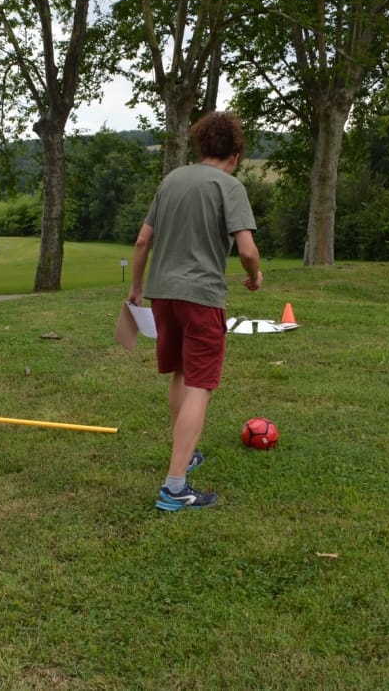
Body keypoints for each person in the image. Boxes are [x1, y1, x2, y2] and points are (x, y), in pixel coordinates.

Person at [126, 111, 262, 511]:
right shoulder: (230, 186)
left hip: (162, 295)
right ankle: (175, 488)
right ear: (235, 154)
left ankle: (187, 455)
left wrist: (137, 289)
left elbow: (141, 242)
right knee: (201, 383)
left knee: (183, 374)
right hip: (201, 297)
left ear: (201, 146)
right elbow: (248, 250)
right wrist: (255, 276)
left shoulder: (171, 180)